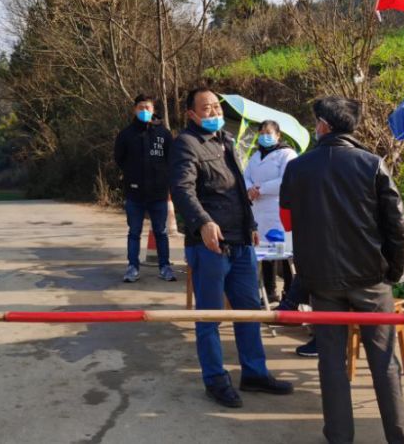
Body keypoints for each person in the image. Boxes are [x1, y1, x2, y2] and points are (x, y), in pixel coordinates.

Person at [280, 96, 404, 444]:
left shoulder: (298, 168)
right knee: (384, 363)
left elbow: (288, 219)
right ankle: (401, 437)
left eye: (315, 121)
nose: (314, 126)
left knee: (330, 363)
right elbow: (398, 226)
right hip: (370, 279)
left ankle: (339, 437)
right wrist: (392, 272)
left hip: (322, 281)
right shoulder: (372, 164)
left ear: (325, 126)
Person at [170, 87, 293, 408]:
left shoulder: (225, 140)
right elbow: (182, 190)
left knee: (248, 312)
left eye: (216, 107)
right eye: (206, 109)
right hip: (210, 244)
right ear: (192, 114)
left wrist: (251, 226)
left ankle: (254, 373)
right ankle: (215, 379)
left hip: (241, 242)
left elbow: (239, 187)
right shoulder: (186, 144)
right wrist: (202, 222)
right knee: (210, 317)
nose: (213, 112)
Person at [114, 94, 176, 283]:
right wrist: (132, 174)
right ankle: (132, 267)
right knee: (134, 232)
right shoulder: (126, 134)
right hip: (135, 194)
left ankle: (165, 266)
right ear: (134, 109)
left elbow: (171, 159)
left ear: (153, 110)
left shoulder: (163, 134)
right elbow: (119, 159)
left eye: (147, 108)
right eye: (140, 107)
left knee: (161, 232)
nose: (144, 111)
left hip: (158, 193)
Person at [242, 120, 297, 304]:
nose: (265, 136)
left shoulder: (287, 154)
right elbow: (246, 176)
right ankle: (269, 290)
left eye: (269, 132)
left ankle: (289, 293)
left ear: (278, 135)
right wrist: (250, 189)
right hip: (259, 210)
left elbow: (287, 179)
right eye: (262, 132)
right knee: (265, 253)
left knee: (285, 252)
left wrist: (261, 188)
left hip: (279, 209)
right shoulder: (256, 155)